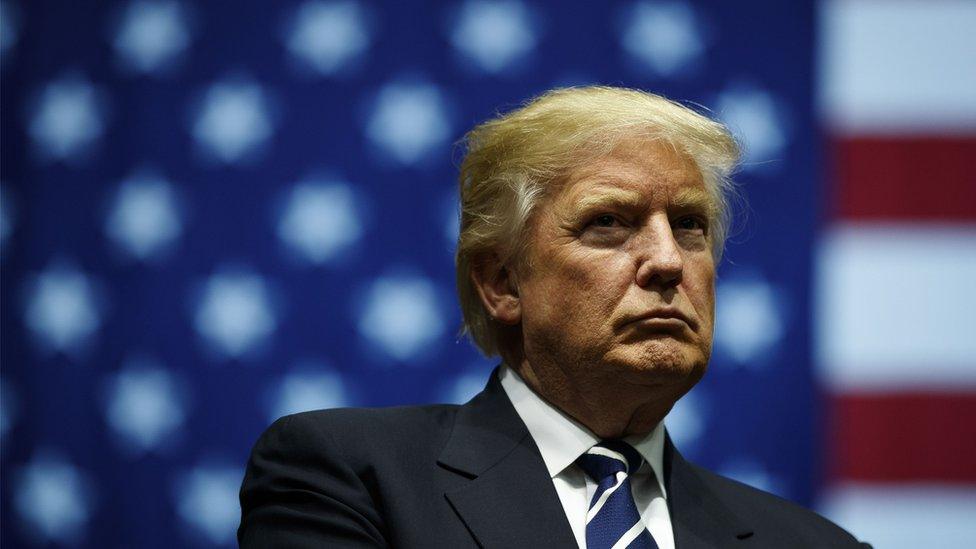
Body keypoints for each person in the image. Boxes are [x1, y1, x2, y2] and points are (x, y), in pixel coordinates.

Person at [238, 86, 870, 548]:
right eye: (608, 223)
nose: (668, 261)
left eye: (689, 225)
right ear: (503, 282)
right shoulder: (348, 479)